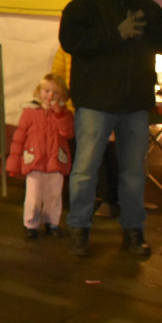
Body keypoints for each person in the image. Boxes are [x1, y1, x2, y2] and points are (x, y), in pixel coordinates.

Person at [59, 0, 162, 258]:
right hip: (95, 104)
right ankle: (79, 228)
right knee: (85, 170)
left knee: (133, 172)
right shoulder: (82, 7)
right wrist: (116, 33)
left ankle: (133, 230)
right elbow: (72, 42)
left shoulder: (145, 7)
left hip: (135, 104)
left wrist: (148, 32)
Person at [6, 73, 75, 239]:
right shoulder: (29, 113)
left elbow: (68, 133)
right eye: (47, 90)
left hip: (56, 162)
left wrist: (60, 115)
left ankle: (52, 223)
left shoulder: (65, 115)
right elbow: (19, 138)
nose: (50, 95)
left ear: (63, 96)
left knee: (54, 196)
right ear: (39, 91)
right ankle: (31, 224)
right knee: (33, 197)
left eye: (56, 93)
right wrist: (13, 163)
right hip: (34, 161)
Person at [53, 47, 119, 218]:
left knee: (100, 153)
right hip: (73, 109)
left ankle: (107, 199)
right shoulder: (67, 47)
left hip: (97, 108)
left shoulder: (102, 45)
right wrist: (58, 98)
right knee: (79, 155)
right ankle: (93, 198)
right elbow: (58, 74)